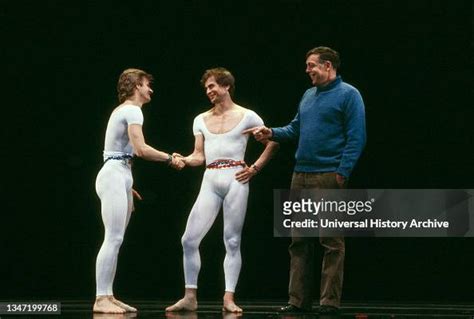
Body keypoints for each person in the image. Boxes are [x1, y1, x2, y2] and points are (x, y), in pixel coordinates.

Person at [245, 47, 366, 314]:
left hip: (328, 175)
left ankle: (328, 302)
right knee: (298, 240)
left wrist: (342, 171)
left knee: (331, 241)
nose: (307, 70)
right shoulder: (308, 95)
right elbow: (295, 128)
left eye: (311, 65)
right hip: (300, 174)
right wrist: (271, 132)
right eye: (307, 65)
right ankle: (297, 300)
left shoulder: (349, 95)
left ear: (328, 66)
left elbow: (356, 137)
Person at [166, 68, 279, 313]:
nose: (208, 91)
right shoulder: (200, 119)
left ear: (226, 86)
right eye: (206, 88)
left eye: (212, 86)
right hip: (211, 177)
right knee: (189, 239)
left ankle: (228, 298)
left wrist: (255, 168)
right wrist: (184, 160)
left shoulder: (247, 116)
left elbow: (272, 141)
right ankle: (190, 296)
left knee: (232, 240)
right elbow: (199, 156)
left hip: (236, 178)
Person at [94, 68, 184, 314]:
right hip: (114, 174)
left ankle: (108, 295)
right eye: (146, 85)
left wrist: (128, 185)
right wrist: (170, 158)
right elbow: (141, 149)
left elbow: (125, 153)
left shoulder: (126, 111)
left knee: (117, 239)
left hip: (120, 174)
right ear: (135, 86)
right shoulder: (132, 110)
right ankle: (101, 297)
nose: (150, 89)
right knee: (112, 238)